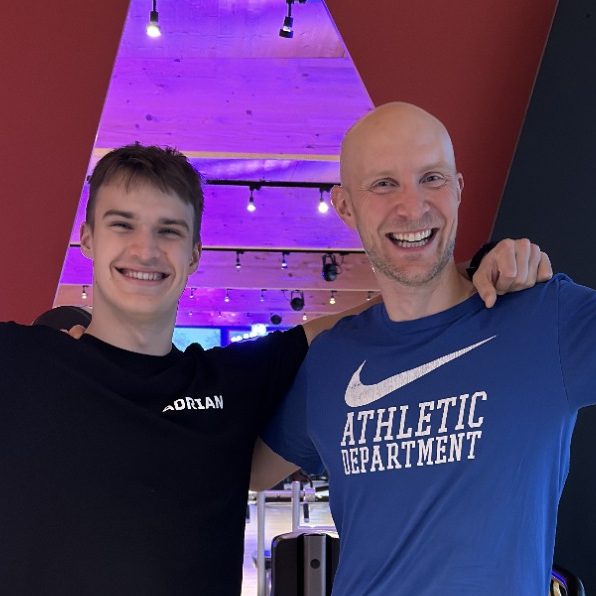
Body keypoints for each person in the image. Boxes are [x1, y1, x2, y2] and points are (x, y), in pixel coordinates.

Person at [0, 143, 546, 596]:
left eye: (169, 231)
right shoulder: (22, 362)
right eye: (123, 225)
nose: (145, 250)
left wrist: (475, 272)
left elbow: (353, 321)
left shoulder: (226, 384)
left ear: (194, 254)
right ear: (89, 239)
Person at [253, 102, 592, 595]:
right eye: (383, 184)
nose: (412, 208)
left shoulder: (545, 318)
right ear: (344, 206)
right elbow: (242, 473)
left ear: (458, 189)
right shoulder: (330, 361)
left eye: (431, 178)